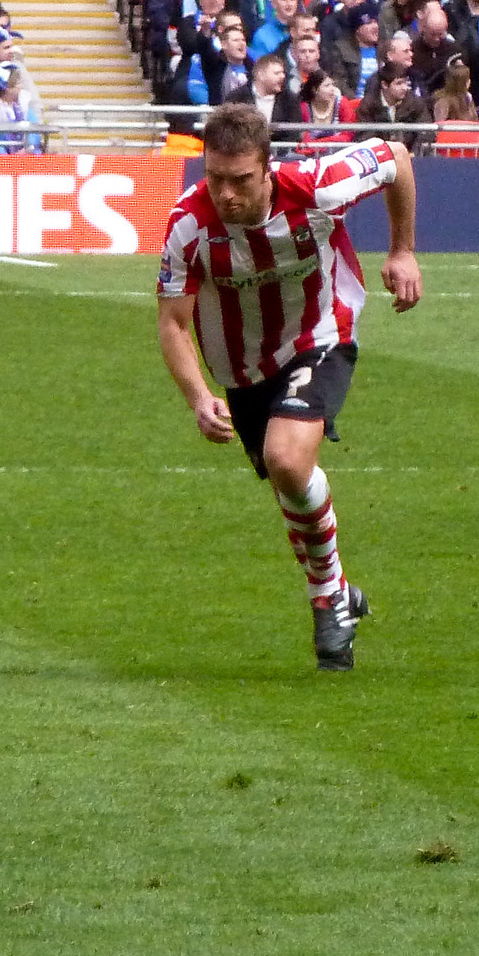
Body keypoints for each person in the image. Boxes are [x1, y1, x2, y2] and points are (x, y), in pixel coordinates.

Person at [155, 103, 421, 671]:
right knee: (290, 485)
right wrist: (200, 398)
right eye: (215, 177)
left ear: (268, 168)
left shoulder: (320, 186)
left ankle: (327, 604)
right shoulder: (189, 225)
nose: (226, 194)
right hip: (242, 372)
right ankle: (341, 591)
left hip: (320, 334)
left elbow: (396, 157)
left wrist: (401, 250)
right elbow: (173, 322)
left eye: (241, 180)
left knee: (286, 457)